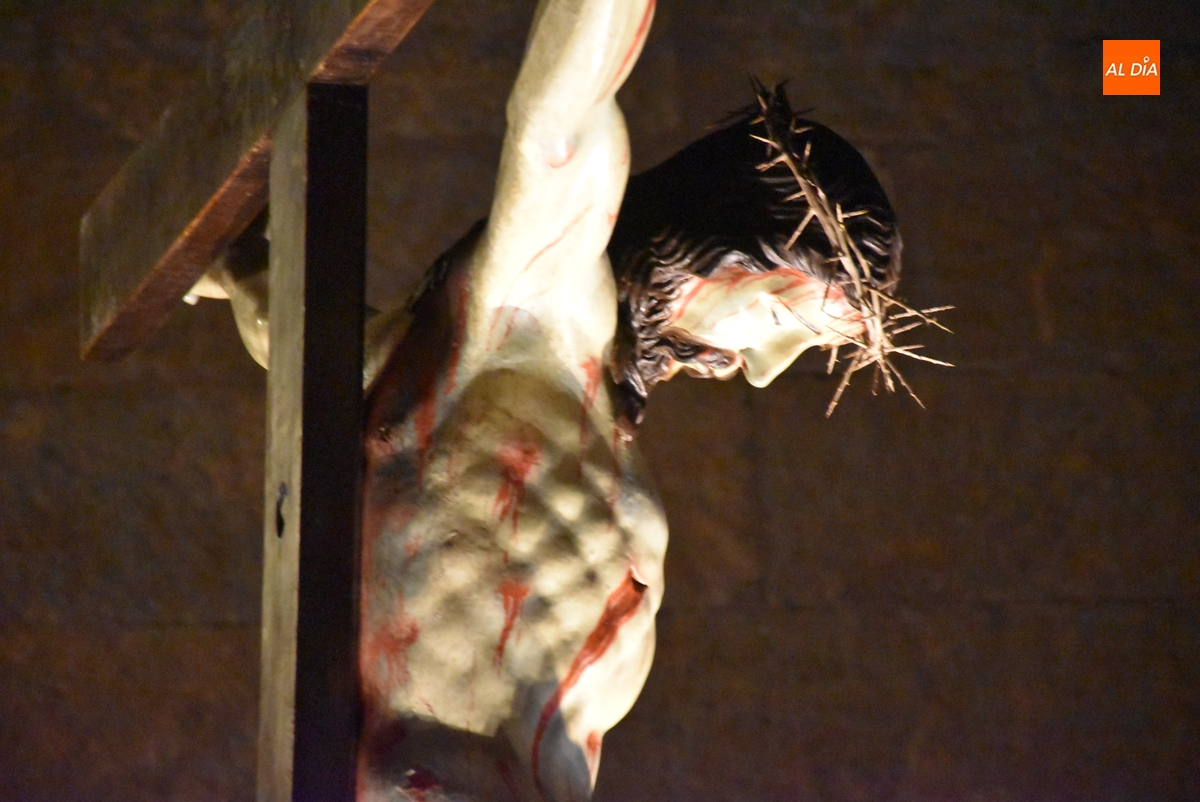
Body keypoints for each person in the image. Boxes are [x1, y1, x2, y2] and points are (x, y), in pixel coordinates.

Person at [193, 1, 907, 799]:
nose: (766, 371)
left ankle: (238, 261)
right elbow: (556, 126)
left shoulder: (579, 397)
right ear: (718, 240)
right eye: (776, 321)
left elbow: (334, 357)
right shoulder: (545, 301)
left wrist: (244, 276)